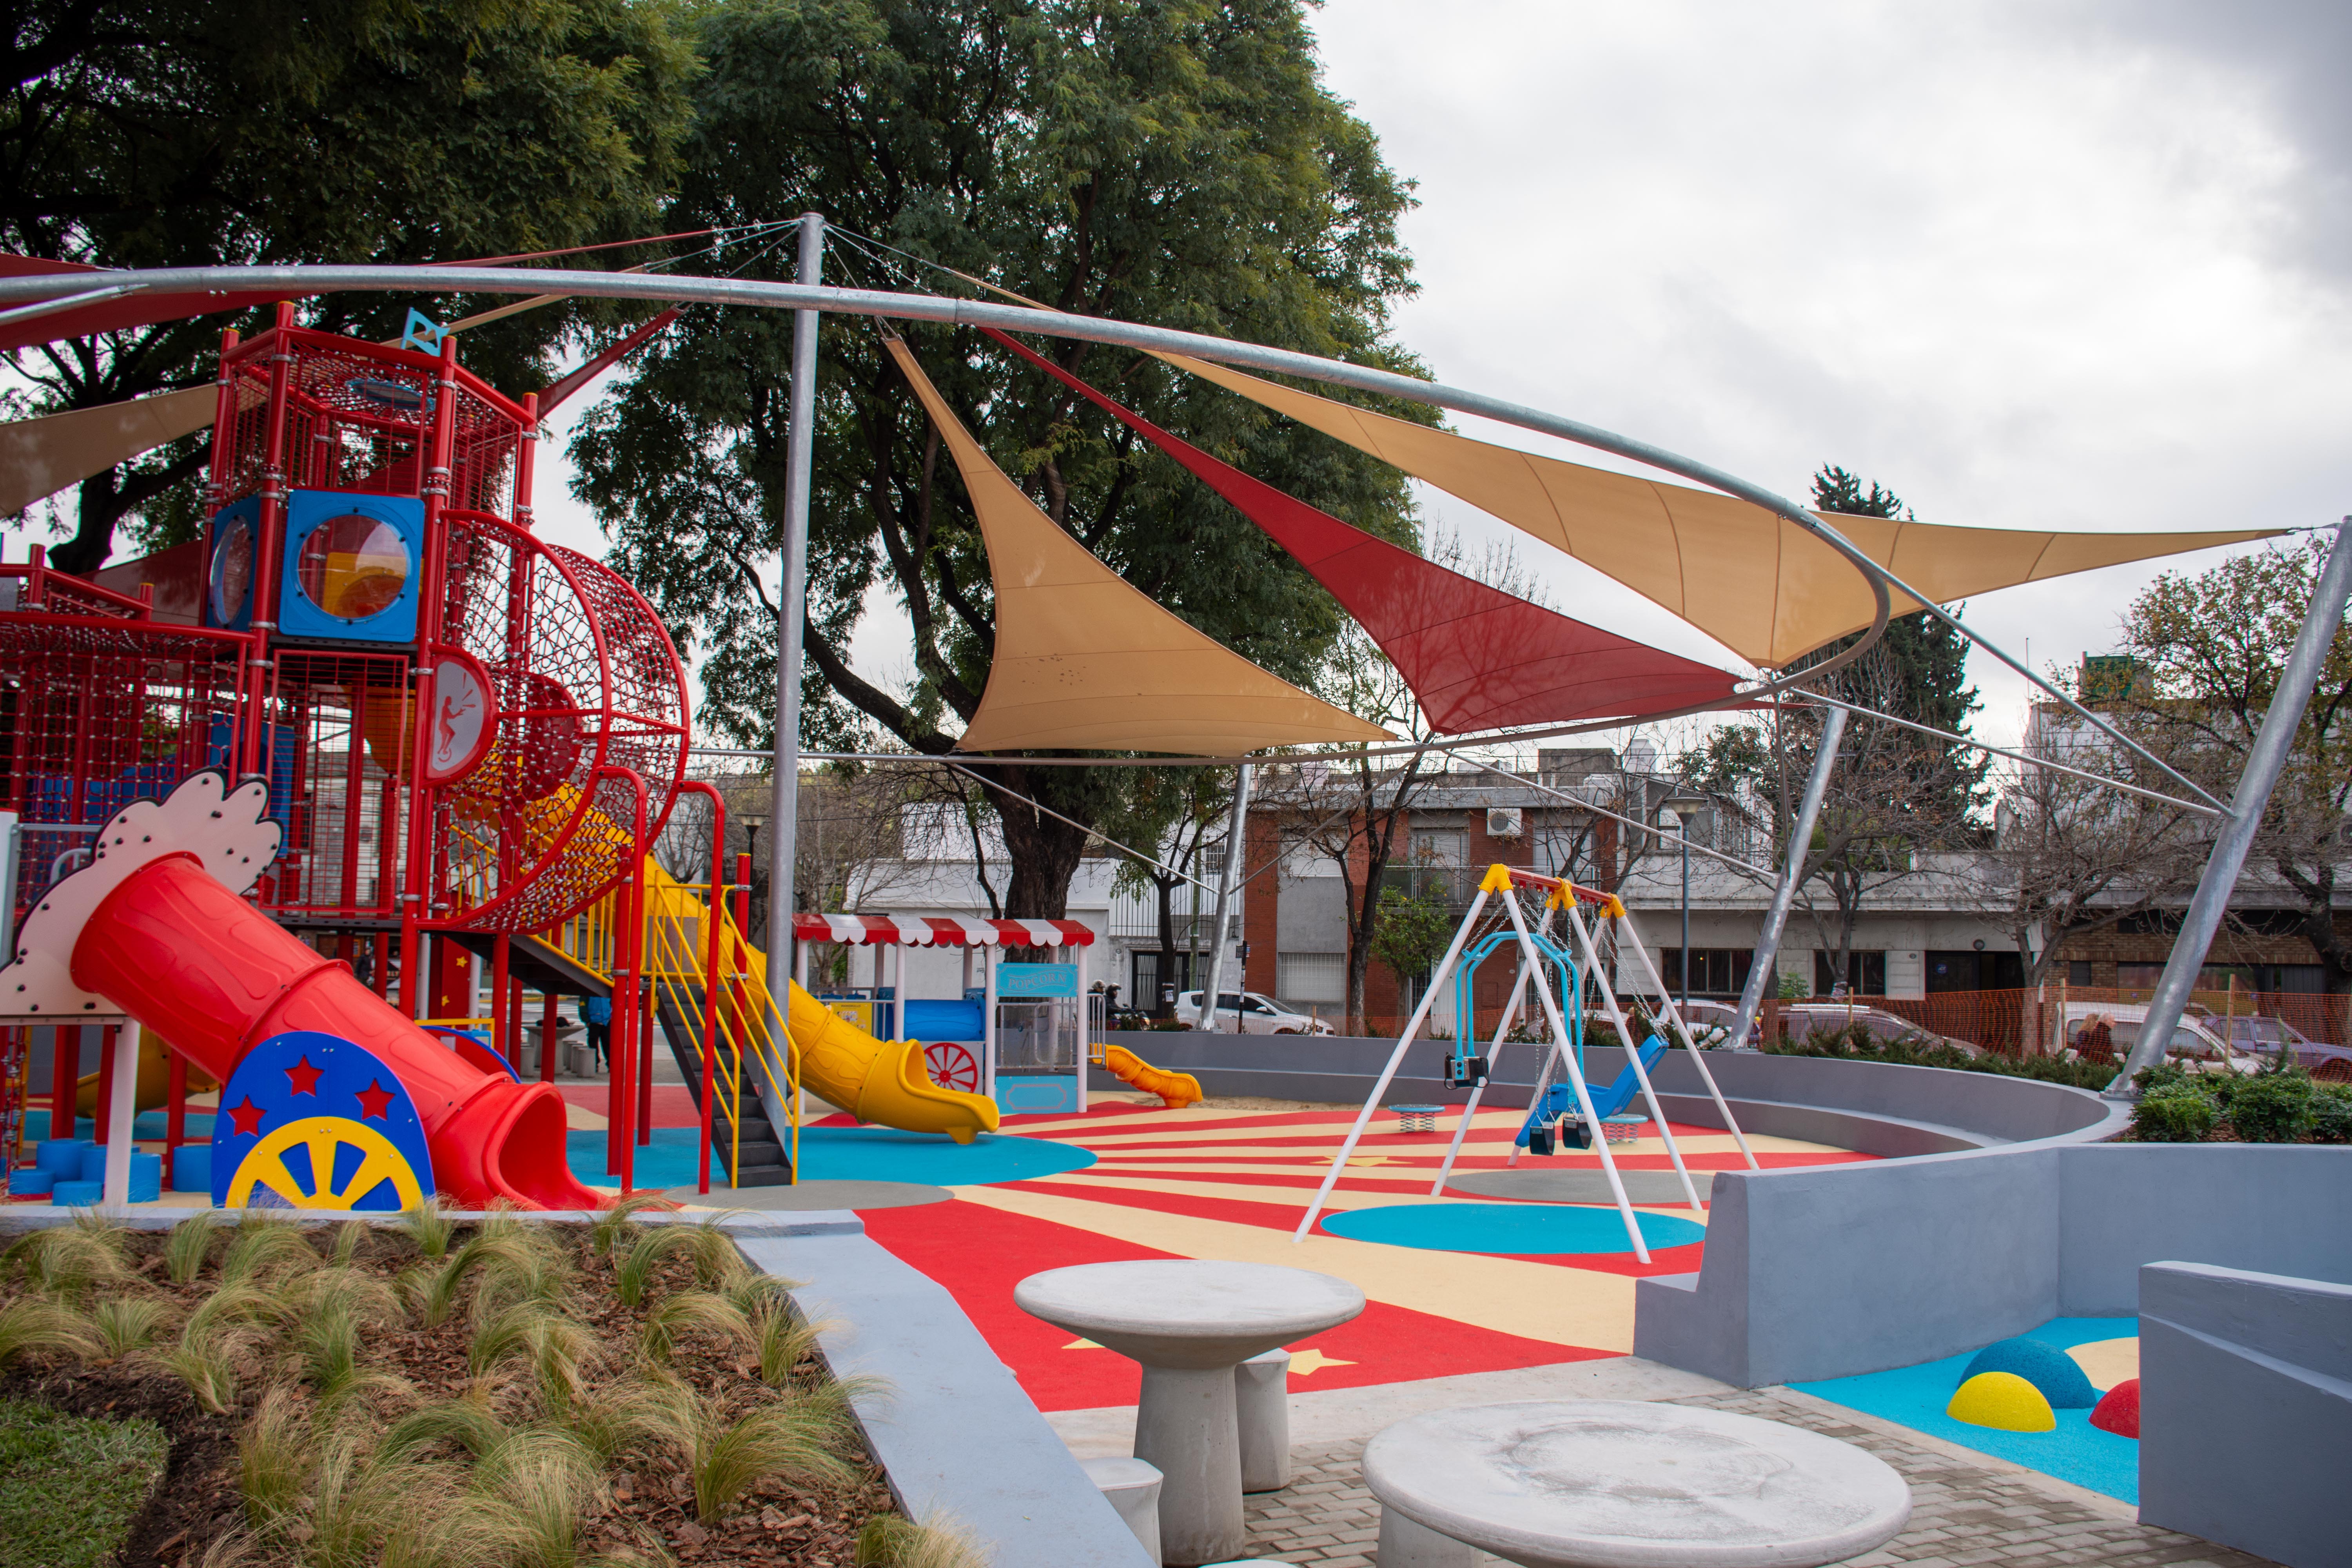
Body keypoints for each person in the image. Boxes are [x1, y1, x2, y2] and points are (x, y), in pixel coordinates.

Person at [582, 994, 612, 1072]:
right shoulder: (587, 992)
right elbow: (583, 1006)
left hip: (606, 1021)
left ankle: (611, 1064)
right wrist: (587, 1020)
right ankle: (594, 1064)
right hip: (593, 1022)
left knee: (608, 1043)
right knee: (593, 1044)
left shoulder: (607, 990)